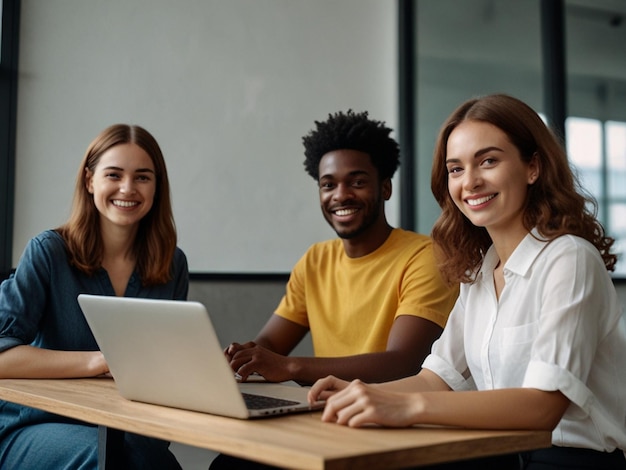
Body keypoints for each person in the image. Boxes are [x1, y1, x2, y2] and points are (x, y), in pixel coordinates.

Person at [308, 94, 626, 469]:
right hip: (502, 454)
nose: (470, 182)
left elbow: (543, 405)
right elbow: (434, 379)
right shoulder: (478, 273)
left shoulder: (569, 259)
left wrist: (404, 406)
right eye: (455, 169)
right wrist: (358, 393)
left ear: (533, 167)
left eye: (488, 161)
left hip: (576, 460)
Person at [211, 111, 458, 469]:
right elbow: (270, 346)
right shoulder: (316, 260)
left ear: (385, 187)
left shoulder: (425, 256)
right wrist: (240, 358)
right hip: (329, 419)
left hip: (394, 428)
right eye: (328, 185)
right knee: (230, 466)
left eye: (356, 182)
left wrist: (292, 367)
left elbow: (403, 362)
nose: (340, 195)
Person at [0, 124, 188, 469]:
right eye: (114, 175)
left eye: (143, 177)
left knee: (158, 464)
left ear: (157, 186)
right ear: (90, 181)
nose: (128, 188)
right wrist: (99, 361)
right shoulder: (49, 252)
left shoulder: (172, 263)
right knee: (106, 457)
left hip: (125, 428)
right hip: (35, 425)